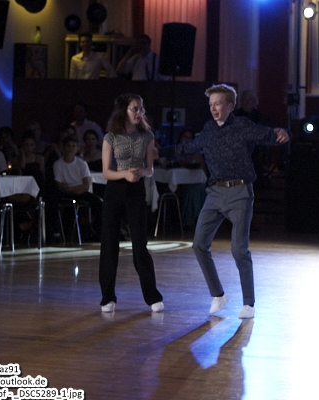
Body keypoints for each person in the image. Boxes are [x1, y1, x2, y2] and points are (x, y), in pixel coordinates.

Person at [174, 84, 289, 319]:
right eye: (210, 104)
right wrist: (160, 151)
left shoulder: (242, 126)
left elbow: (267, 135)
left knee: (239, 249)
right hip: (215, 193)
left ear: (230, 105)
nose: (213, 108)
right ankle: (218, 295)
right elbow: (188, 147)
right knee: (199, 245)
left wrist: (282, 133)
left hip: (240, 193)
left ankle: (249, 303)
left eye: (217, 104)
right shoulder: (208, 129)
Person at [98, 93, 163, 314]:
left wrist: (140, 172)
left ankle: (152, 297)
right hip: (115, 189)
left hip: (136, 189)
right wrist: (125, 174)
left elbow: (150, 169)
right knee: (109, 243)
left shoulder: (147, 136)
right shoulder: (110, 137)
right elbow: (106, 172)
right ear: (124, 111)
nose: (139, 113)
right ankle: (107, 297)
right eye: (135, 109)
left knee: (139, 243)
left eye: (141, 109)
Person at [52, 135, 103, 239]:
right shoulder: (58, 164)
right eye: (68, 146)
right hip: (65, 193)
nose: (71, 149)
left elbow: (86, 184)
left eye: (73, 146)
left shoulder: (82, 163)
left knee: (99, 202)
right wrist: (69, 190)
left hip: (80, 192)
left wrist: (74, 189)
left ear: (77, 148)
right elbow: (59, 185)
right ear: (63, 147)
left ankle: (99, 232)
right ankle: (61, 232)